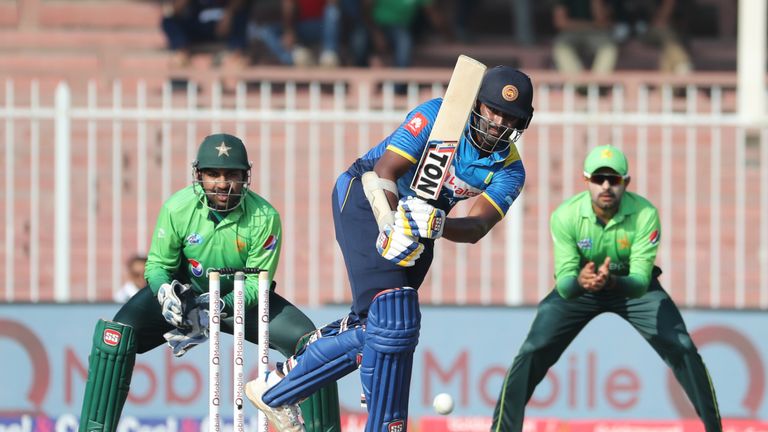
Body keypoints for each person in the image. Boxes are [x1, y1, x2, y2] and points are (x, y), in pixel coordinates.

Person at [244, 66, 535, 431]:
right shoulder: (439, 116)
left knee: (384, 325)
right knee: (394, 320)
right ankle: (280, 389)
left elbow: (477, 226)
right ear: (477, 104)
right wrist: (388, 223)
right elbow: (384, 171)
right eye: (494, 110)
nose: (498, 123)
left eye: (510, 117)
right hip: (367, 198)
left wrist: (439, 225)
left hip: (422, 223)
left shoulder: (510, 170)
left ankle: (280, 381)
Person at [78, 134, 341, 432]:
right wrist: (164, 292)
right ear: (199, 175)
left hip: (240, 299)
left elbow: (258, 283)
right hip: (184, 293)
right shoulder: (177, 208)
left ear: (245, 177)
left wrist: (218, 305)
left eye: (232, 175)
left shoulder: (264, 216)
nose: (222, 183)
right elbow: (158, 266)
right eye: (213, 174)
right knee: (113, 338)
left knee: (312, 344)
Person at [490, 145, 722, 432]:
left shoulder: (645, 214)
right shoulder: (566, 215)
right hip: (582, 285)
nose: (606, 186)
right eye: (599, 179)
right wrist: (581, 282)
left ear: (626, 182)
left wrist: (612, 281)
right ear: (586, 180)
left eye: (614, 179)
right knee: (533, 350)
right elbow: (565, 286)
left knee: (682, 346)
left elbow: (639, 283)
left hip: (631, 287)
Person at [161, 0, 251, 68]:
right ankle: (181, 54)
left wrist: (229, 12)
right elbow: (175, 10)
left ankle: (237, 56)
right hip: (199, 28)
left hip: (224, 27)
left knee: (241, 18)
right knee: (168, 21)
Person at [251, 0, 342, 67]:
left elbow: (333, 4)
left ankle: (329, 54)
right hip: (300, 28)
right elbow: (289, 6)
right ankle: (293, 57)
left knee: (332, 11)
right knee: (265, 31)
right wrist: (289, 31)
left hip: (320, 27)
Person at [610, 0, 692, 74]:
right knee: (608, 47)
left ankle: (680, 66)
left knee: (665, 38)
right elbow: (606, 18)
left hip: (650, 31)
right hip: (617, 34)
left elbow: (661, 21)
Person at [551, 0, 617, 75]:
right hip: (571, 32)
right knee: (561, 47)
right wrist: (592, 24)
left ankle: (597, 81)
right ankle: (577, 81)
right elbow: (561, 23)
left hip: (595, 33)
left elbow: (601, 21)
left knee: (609, 48)